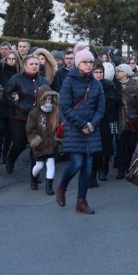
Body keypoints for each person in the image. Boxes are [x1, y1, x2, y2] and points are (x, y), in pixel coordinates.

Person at [56, 49, 105, 215]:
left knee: (88, 168)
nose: (89, 65)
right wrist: (83, 124)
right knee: (77, 163)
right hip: (74, 129)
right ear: (78, 63)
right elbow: (65, 108)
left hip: (91, 130)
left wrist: (92, 124)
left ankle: (81, 201)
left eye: (91, 62)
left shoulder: (96, 84)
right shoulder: (69, 82)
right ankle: (62, 187)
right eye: (85, 62)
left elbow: (101, 108)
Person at [3, 55, 49, 174]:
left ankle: (34, 174)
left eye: (36, 64)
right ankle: (11, 159)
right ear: (25, 66)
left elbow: (49, 97)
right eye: (31, 64)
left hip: (37, 118)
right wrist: (16, 104)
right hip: (19, 117)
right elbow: (6, 94)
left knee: (36, 145)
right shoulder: (17, 78)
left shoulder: (43, 81)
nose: (34, 66)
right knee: (19, 144)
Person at [90, 61, 120, 185]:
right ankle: (93, 176)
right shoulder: (89, 86)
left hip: (108, 120)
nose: (98, 74)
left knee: (107, 148)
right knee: (96, 150)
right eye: (96, 72)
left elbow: (117, 102)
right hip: (95, 121)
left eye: (100, 72)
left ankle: (104, 169)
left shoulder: (109, 85)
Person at [26, 90, 61, 195]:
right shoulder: (34, 113)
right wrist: (35, 140)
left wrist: (57, 140)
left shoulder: (55, 112)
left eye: (50, 99)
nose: (48, 101)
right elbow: (30, 129)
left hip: (51, 144)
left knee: (51, 164)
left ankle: (49, 187)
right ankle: (34, 177)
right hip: (39, 145)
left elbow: (59, 128)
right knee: (39, 165)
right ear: (40, 100)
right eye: (45, 99)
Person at [114, 63, 138, 180]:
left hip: (132, 119)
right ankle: (121, 168)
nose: (117, 73)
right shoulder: (114, 86)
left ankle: (129, 167)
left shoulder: (135, 84)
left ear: (126, 72)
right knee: (120, 145)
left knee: (131, 145)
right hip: (119, 120)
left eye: (119, 71)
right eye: (116, 71)